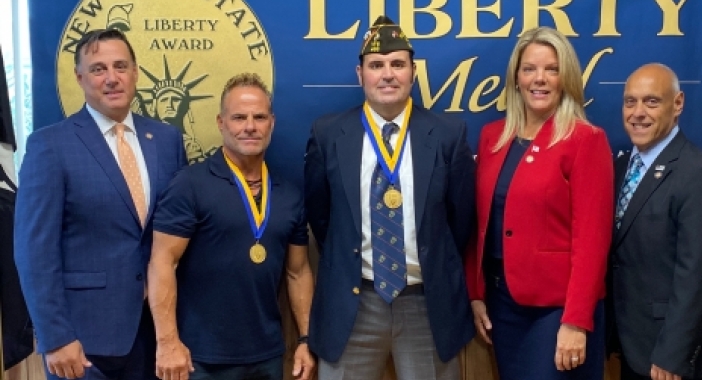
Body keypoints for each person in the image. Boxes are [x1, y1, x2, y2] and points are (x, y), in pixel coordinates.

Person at [304, 15, 476, 380]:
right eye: (376, 65)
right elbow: (322, 219)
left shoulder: (447, 134)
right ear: (359, 73)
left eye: (398, 64)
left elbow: (460, 223)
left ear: (413, 72)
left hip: (426, 305)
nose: (387, 74)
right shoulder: (329, 134)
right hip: (353, 302)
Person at [14, 28, 187, 380]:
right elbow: (34, 251)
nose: (112, 78)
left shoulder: (167, 140)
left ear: (136, 72)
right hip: (84, 343)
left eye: (121, 66)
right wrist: (56, 337)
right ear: (79, 77)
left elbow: (175, 232)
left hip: (157, 336)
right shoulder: (50, 145)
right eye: (98, 68)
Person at [464, 26, 613, 380]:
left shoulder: (585, 140)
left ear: (567, 78)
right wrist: (477, 293)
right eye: (530, 68)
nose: (539, 79)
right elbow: (479, 225)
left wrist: (576, 321)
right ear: (516, 77)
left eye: (551, 69)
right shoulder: (492, 138)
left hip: (557, 311)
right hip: (502, 305)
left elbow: (592, 241)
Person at [148, 72, 315, 380]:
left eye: (259, 117)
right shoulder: (189, 184)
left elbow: (298, 271)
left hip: (266, 355)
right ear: (221, 123)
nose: (250, 126)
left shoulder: (289, 194)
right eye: (239, 117)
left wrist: (305, 339)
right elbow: (162, 262)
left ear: (272, 123)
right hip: (199, 357)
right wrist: (167, 342)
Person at [608, 63, 702, 380]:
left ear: (678, 103)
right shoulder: (619, 171)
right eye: (630, 101)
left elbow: (700, 276)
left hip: (682, 360)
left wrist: (673, 354)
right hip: (637, 348)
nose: (638, 112)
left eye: (651, 101)